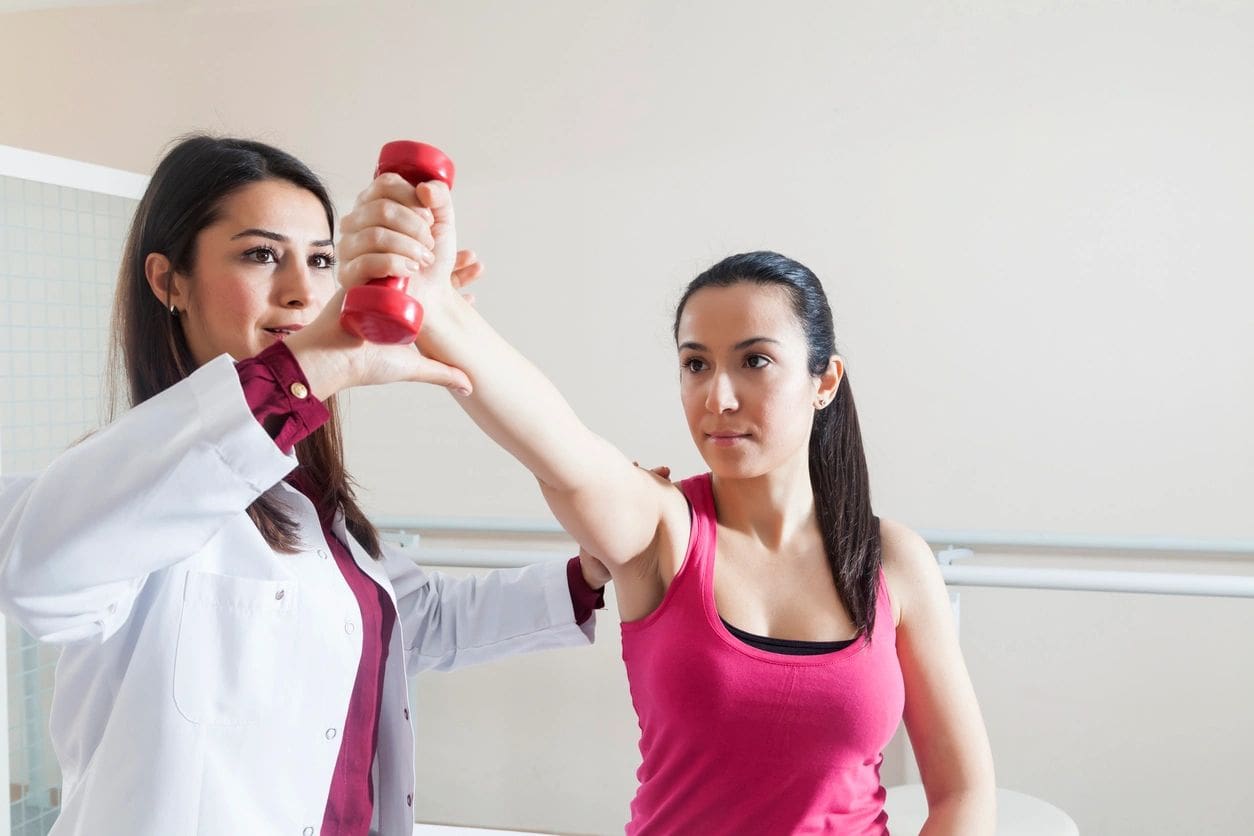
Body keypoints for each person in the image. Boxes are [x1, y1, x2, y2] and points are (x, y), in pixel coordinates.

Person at [341, 176, 998, 834]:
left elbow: (963, 795)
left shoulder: (894, 562)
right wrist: (441, 312)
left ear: (823, 380)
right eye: (696, 365)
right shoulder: (662, 529)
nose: (718, 398)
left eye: (755, 361)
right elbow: (560, 450)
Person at [0, 135, 608, 836]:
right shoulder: (117, 490)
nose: (300, 289)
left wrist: (586, 573)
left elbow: (419, 621)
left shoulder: (308, 501)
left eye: (320, 260)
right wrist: (308, 369)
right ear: (169, 281)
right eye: (261, 254)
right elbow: (38, 573)